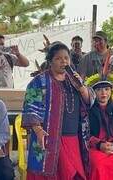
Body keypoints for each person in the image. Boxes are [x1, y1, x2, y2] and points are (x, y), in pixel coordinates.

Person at [22, 42, 94, 179]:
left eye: (66, 58)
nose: (64, 61)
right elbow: (30, 108)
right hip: (49, 139)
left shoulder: (74, 79)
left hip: (73, 139)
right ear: (50, 61)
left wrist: (81, 87)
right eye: (58, 58)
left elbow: (89, 101)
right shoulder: (39, 82)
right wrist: (37, 130)